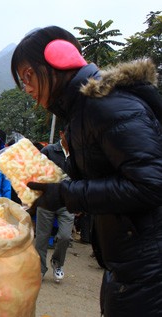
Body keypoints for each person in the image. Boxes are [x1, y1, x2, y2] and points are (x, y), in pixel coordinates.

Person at [12, 26, 162, 316]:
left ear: (58, 61)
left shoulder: (106, 105)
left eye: (28, 75)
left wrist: (66, 194)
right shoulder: (81, 112)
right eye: (22, 80)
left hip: (150, 265)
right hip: (127, 260)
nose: (27, 87)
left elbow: (152, 184)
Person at [35, 136, 74, 283]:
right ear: (62, 133)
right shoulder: (48, 151)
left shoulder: (78, 154)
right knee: (42, 238)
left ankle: (57, 263)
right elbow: (36, 172)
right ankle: (39, 269)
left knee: (65, 237)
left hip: (67, 203)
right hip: (46, 202)